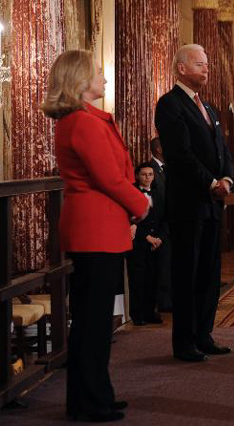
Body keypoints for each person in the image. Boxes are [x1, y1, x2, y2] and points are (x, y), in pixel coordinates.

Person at [42, 50, 150, 422]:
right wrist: (142, 204)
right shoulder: (84, 122)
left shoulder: (84, 119)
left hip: (98, 226)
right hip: (95, 228)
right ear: (80, 80)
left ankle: (96, 393)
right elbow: (108, 177)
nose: (104, 78)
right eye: (98, 73)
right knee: (92, 321)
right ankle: (88, 402)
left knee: (95, 319)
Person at [154, 44, 234, 363]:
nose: (207, 69)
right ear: (181, 68)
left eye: (207, 64)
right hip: (188, 204)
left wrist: (227, 178)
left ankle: (204, 333)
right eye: (200, 64)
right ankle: (184, 341)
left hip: (212, 205)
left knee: (209, 274)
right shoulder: (169, 104)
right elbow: (180, 154)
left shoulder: (210, 108)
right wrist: (211, 183)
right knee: (187, 275)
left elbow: (222, 150)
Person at [127, 163, 166, 326]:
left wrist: (160, 238)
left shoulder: (158, 193)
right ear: (137, 176)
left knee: (153, 278)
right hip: (138, 243)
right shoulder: (131, 192)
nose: (148, 177)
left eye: (150, 174)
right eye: (144, 174)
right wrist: (147, 237)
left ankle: (150, 312)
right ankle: (137, 314)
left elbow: (165, 217)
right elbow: (129, 218)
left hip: (156, 242)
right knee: (138, 279)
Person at [148, 138, 172, 313]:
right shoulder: (150, 170)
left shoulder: (168, 168)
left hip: (169, 222)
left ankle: (170, 298)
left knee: (169, 263)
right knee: (162, 266)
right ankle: (163, 302)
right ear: (159, 149)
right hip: (157, 224)